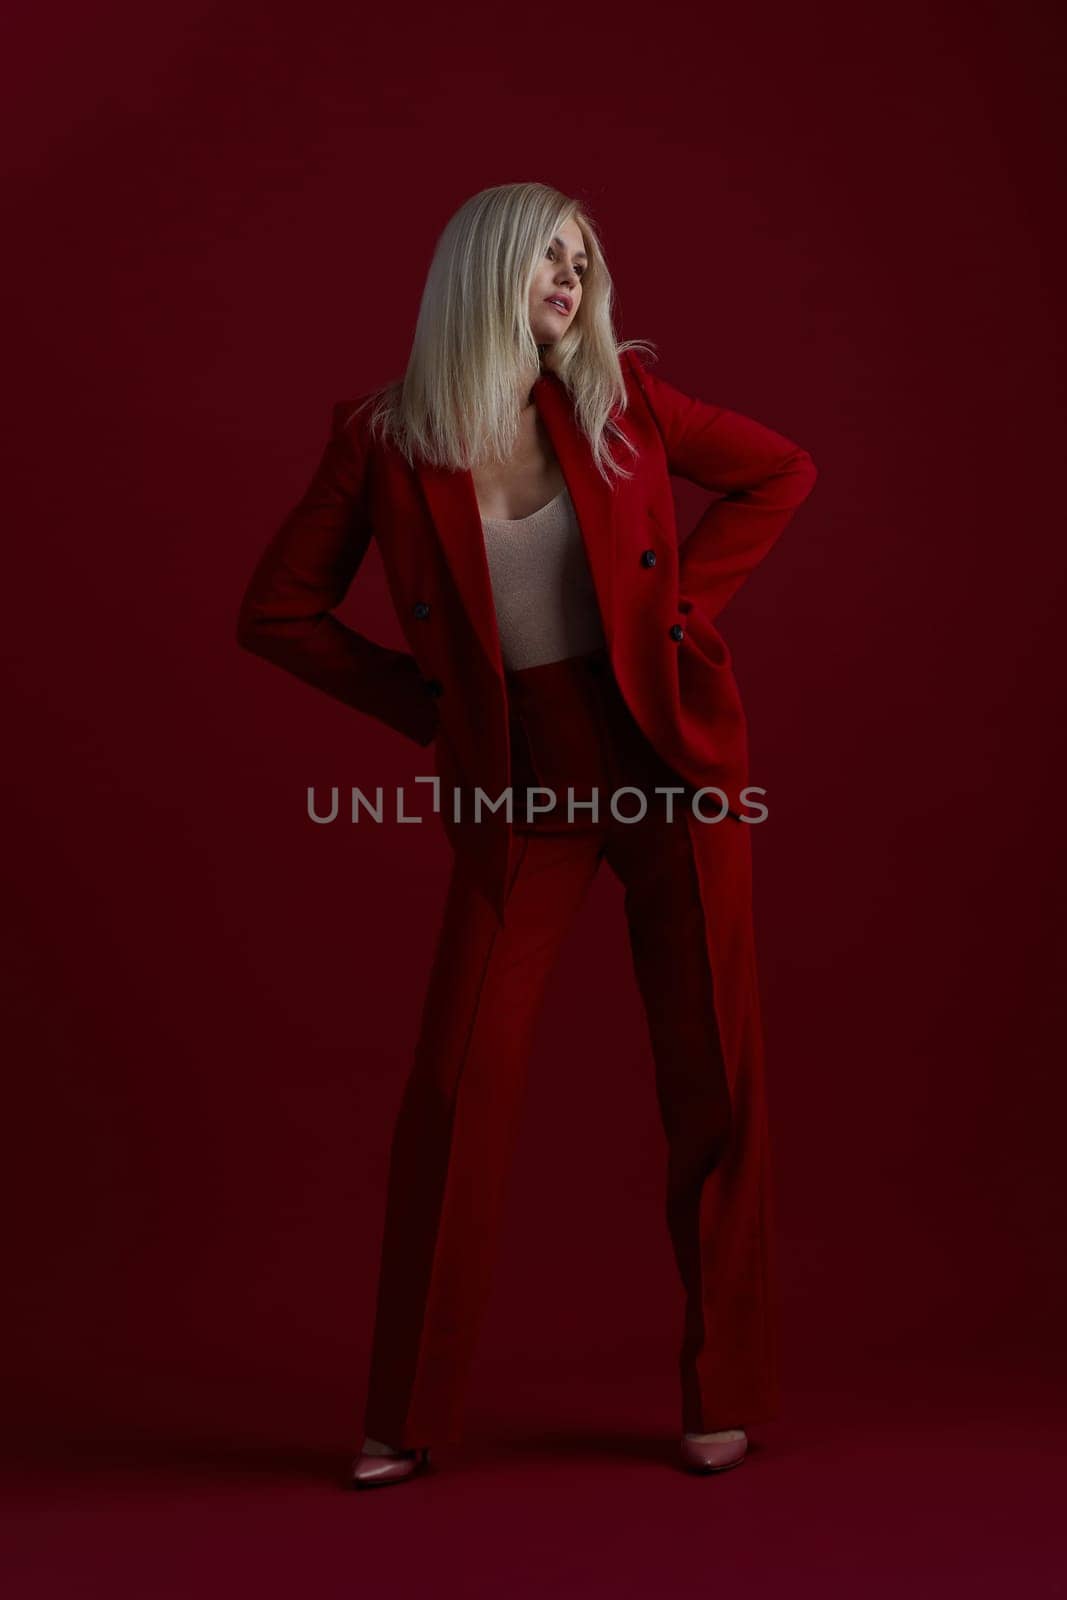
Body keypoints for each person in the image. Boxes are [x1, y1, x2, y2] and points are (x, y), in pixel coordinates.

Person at [236, 181, 818, 1488]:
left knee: (714, 1071)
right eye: (545, 254)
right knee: (458, 1082)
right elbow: (276, 612)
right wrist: (442, 710)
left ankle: (723, 1389)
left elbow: (783, 472)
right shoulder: (383, 439)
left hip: (666, 762)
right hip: (523, 781)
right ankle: (405, 1412)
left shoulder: (621, 404)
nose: (570, 275)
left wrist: (677, 626)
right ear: (480, 267)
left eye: (583, 257)